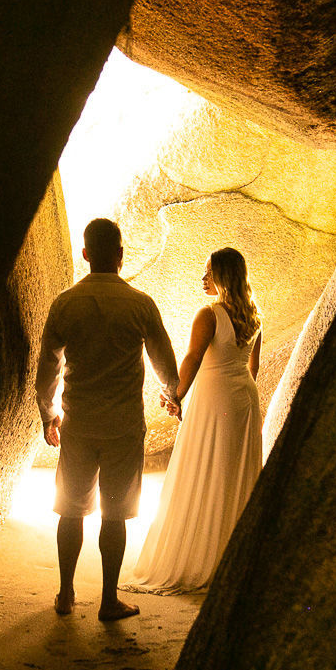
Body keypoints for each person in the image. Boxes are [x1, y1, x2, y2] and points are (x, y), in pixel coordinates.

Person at [35, 218, 180, 621]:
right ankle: (109, 600)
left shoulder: (66, 303)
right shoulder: (140, 303)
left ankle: (65, 593)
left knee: (70, 509)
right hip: (122, 426)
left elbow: (48, 366)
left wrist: (49, 416)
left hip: (78, 425)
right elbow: (163, 360)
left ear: (85, 254)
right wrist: (172, 394)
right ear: (120, 254)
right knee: (114, 515)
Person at [128, 247, 263, 594]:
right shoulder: (256, 316)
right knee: (233, 475)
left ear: (223, 276)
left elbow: (192, 357)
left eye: (208, 272)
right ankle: (228, 555)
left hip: (215, 399)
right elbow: (253, 369)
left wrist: (175, 395)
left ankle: (200, 555)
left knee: (204, 468)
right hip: (245, 400)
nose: (202, 278)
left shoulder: (209, 314)